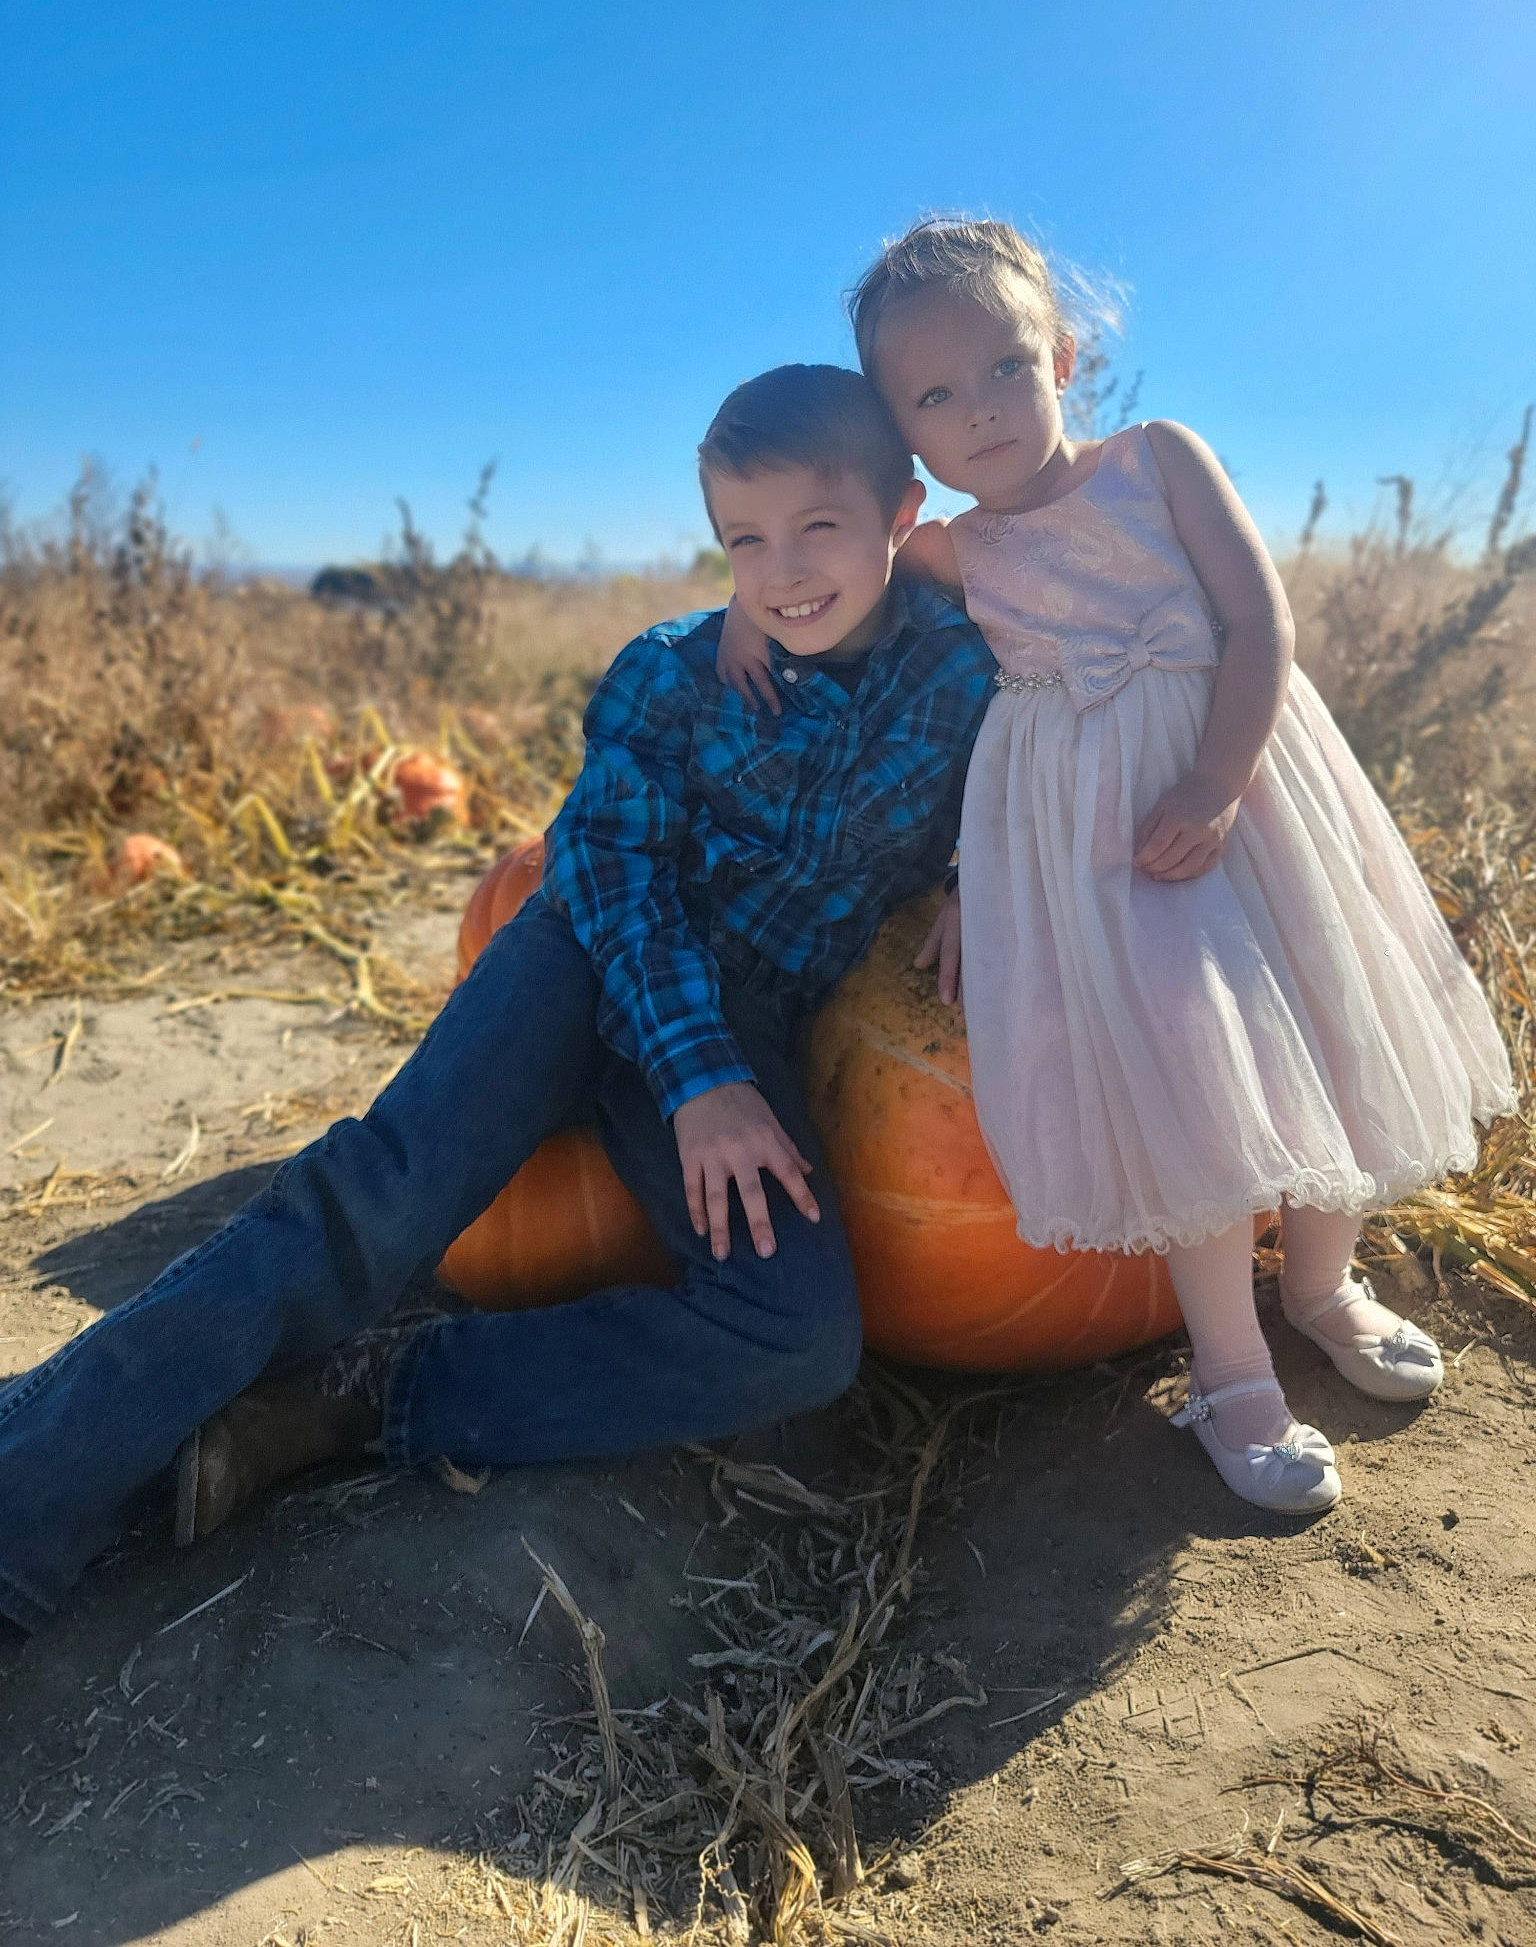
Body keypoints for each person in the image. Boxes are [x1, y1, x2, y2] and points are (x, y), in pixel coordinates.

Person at [0, 364, 998, 1636]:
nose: (782, 570)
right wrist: (699, 1077)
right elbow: (612, 874)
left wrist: (978, 869)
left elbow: (1068, 698)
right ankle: (23, 1500)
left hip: (755, 1011)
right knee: (376, 1201)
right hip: (581, 965)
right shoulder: (670, 673)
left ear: (901, 515)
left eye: (818, 526)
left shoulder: (962, 677)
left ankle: (374, 1392)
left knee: (798, 1337)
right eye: (744, 539)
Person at [717, 220, 1516, 1515]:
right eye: (933, 396)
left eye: (1004, 367)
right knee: (1192, 1091)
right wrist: (739, 618)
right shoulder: (950, 554)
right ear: (898, 433)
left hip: (1246, 794)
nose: (980, 410)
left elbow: (1259, 619)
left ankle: (1322, 1288)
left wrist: (1215, 781)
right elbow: (825, 574)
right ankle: (1232, 1371)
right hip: (1100, 856)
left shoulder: (1158, 460)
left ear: (1062, 356)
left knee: (1328, 1034)